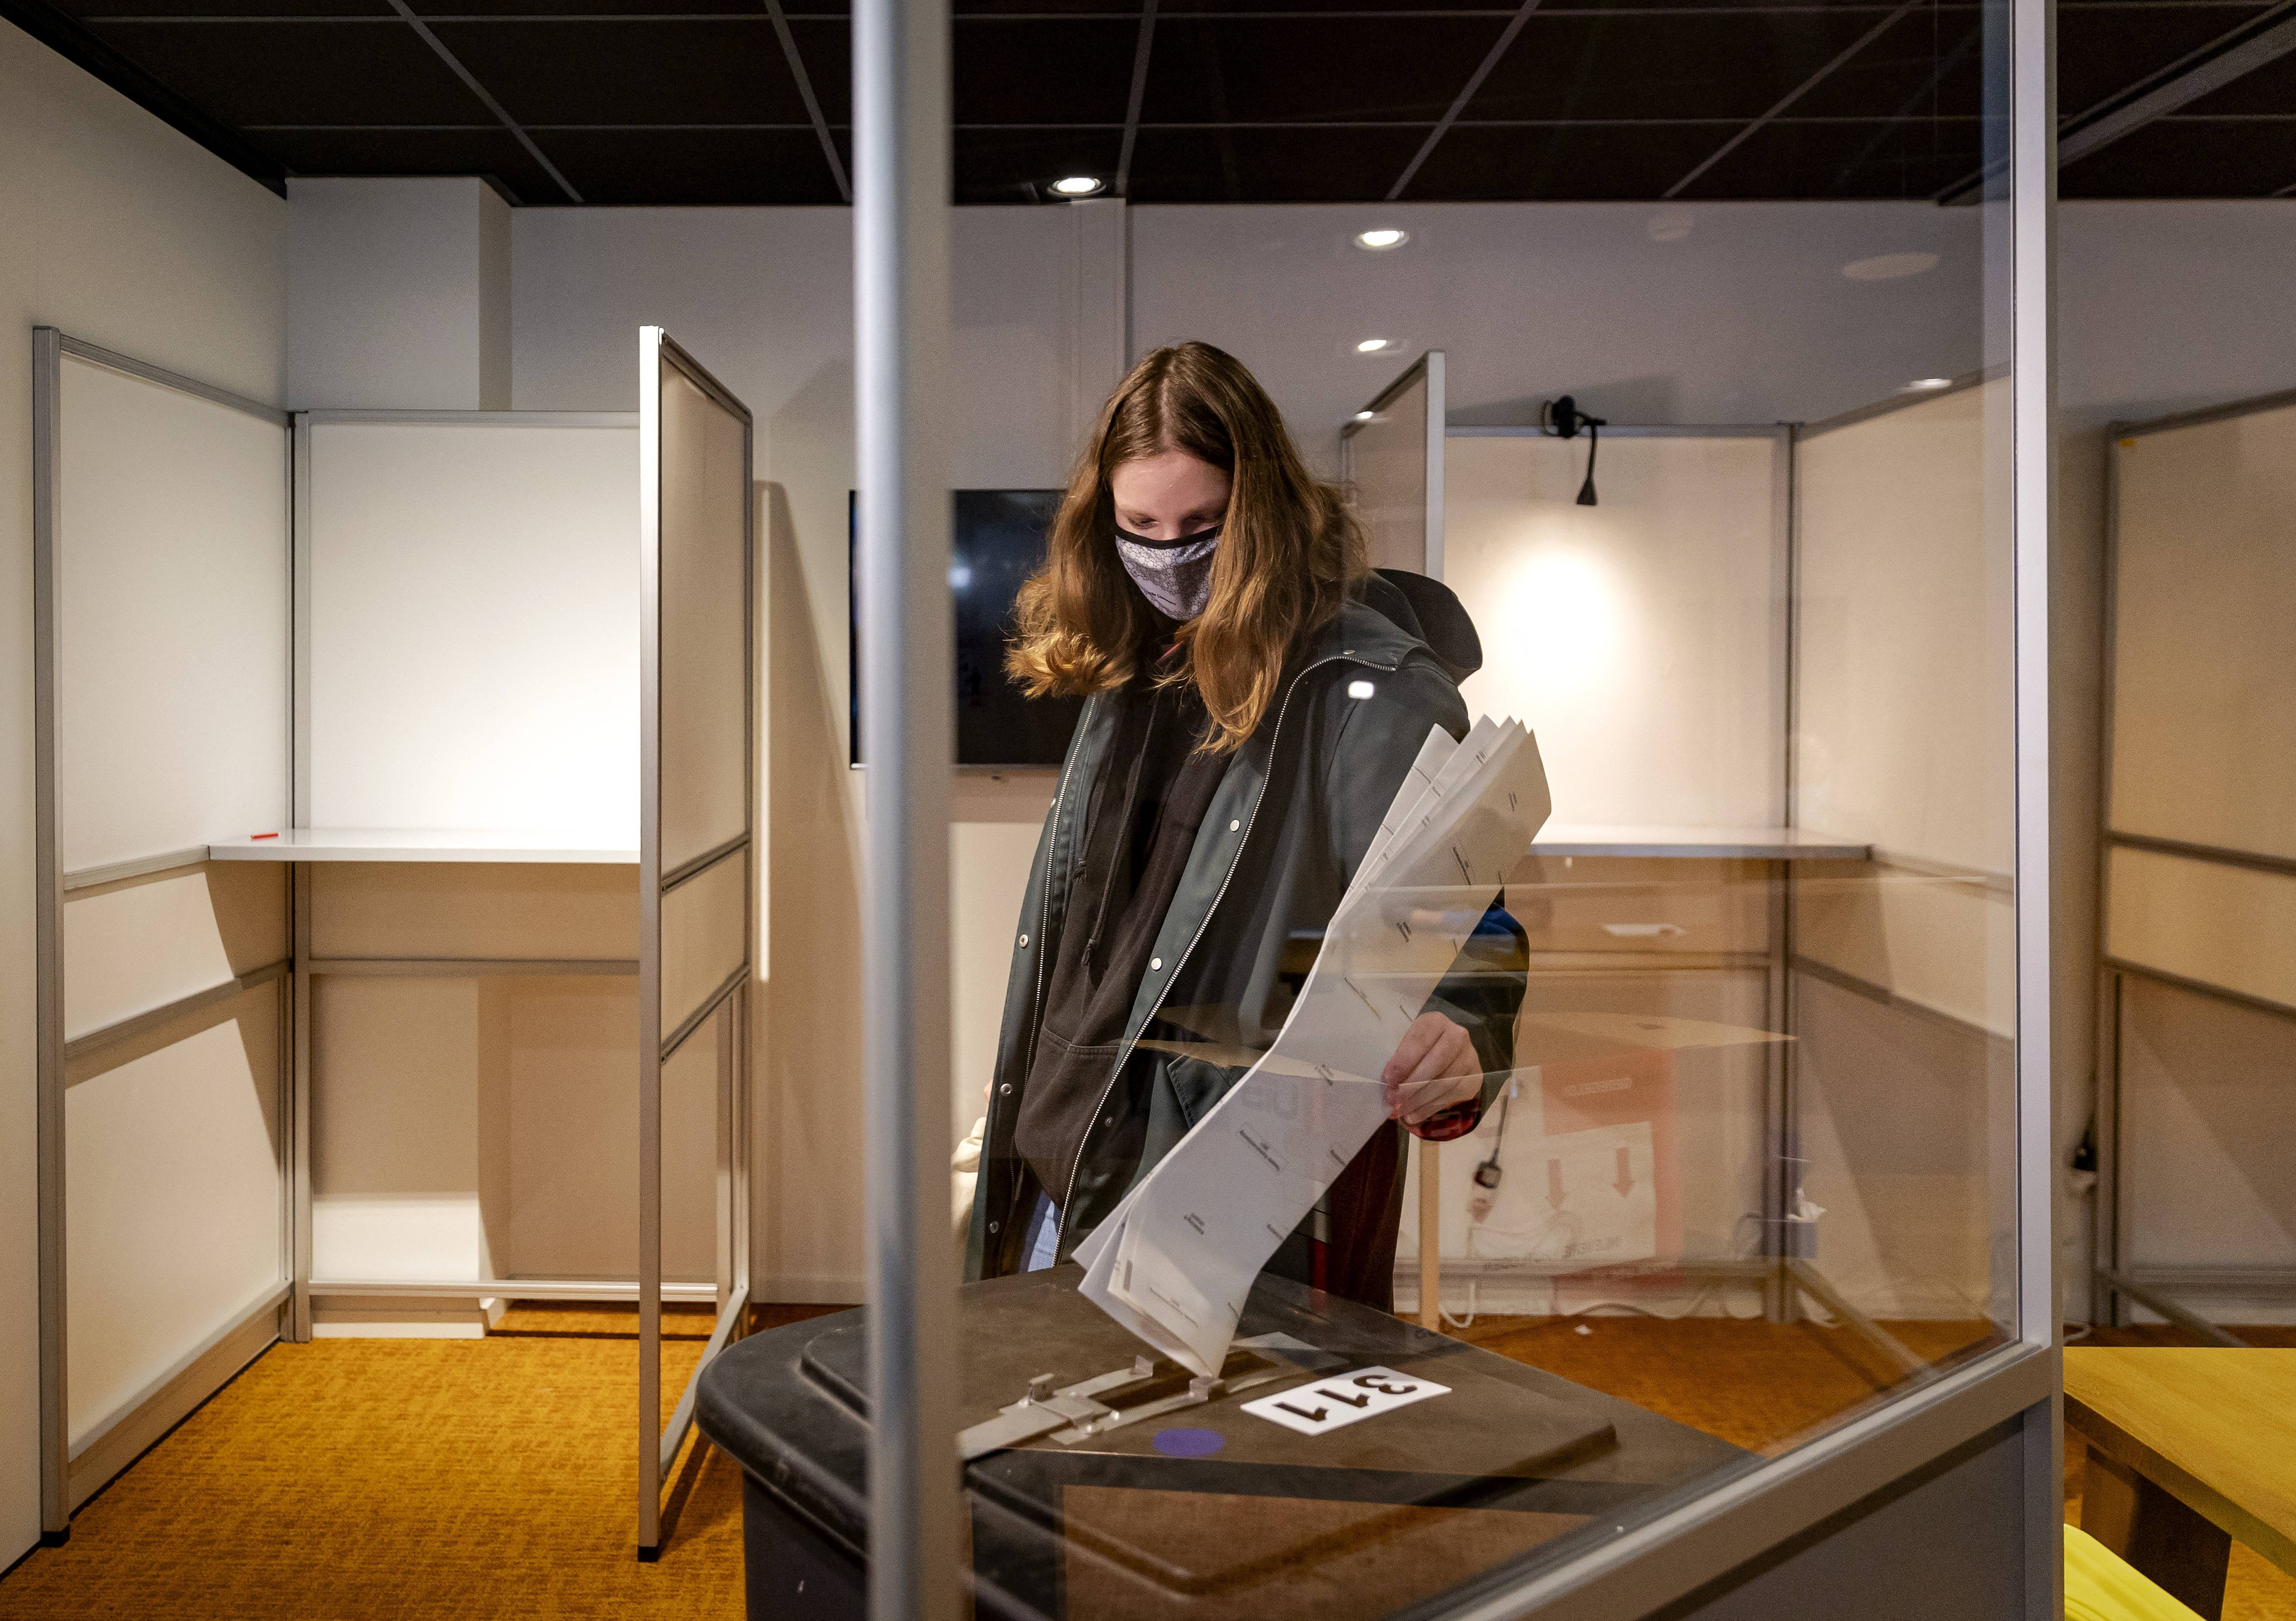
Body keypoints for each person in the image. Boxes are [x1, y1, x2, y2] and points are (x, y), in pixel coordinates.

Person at [963, 341, 1526, 1312]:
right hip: (1069, 1161)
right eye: (1139, 526)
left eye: (1201, 526)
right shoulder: (1132, 660)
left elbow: (1462, 918)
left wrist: (1467, 1034)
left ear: (1260, 508)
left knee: (1203, 1460)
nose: (1167, 555)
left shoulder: (1369, 693)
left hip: (1227, 1197)